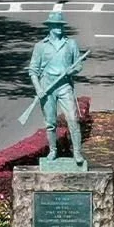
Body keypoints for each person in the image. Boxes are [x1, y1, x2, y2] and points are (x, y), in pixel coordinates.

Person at [28, 11, 85, 161]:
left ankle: (77, 152)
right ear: (50, 27)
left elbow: (79, 65)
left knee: (72, 119)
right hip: (47, 86)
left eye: (61, 25)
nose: (59, 28)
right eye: (56, 25)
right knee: (50, 122)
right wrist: (38, 89)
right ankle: (53, 150)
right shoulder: (40, 46)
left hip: (65, 85)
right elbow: (32, 70)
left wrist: (72, 70)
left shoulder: (71, 44)